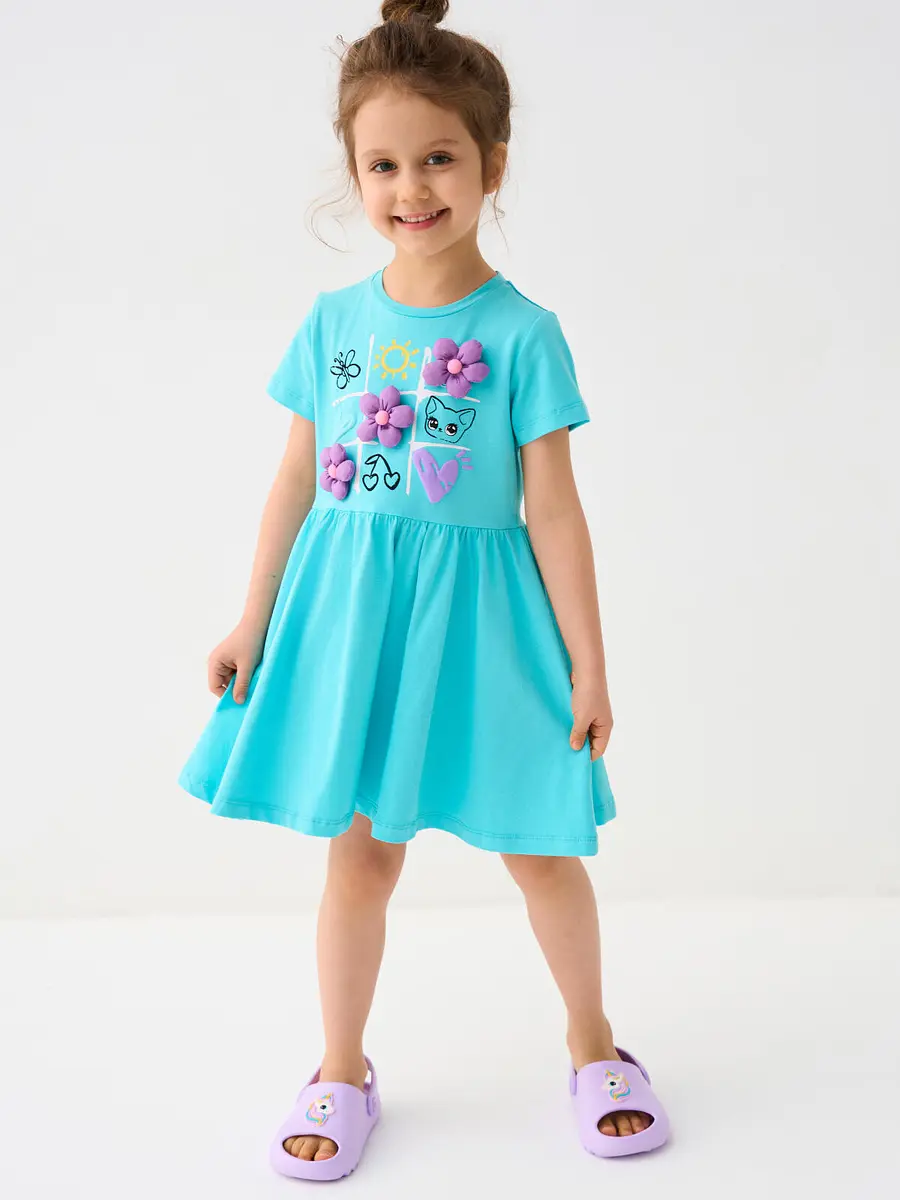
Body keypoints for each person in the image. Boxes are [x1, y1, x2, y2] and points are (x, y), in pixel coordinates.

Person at [177, 0, 670, 1180]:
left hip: (486, 631)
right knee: (360, 858)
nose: (412, 187)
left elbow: (555, 511)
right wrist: (253, 615)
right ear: (355, 173)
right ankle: (340, 1066)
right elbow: (296, 478)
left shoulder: (524, 333)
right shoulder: (333, 324)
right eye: (384, 164)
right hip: (355, 624)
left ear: (493, 161)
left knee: (541, 846)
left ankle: (594, 1042)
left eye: (439, 157)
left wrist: (589, 663)